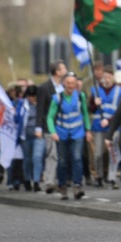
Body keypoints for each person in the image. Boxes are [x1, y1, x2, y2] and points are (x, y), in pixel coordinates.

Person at [46, 71, 92, 200]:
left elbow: (85, 114)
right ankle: (63, 186)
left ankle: (77, 186)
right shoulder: (57, 98)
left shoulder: (80, 96)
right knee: (62, 161)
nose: (71, 85)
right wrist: (53, 132)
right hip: (62, 133)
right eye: (68, 83)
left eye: (73, 83)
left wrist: (88, 130)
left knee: (77, 158)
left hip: (78, 132)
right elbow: (50, 117)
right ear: (63, 84)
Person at [37, 59, 67, 193]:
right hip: (50, 127)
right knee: (52, 154)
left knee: (62, 155)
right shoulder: (44, 88)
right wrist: (39, 127)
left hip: (65, 125)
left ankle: (61, 180)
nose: (65, 70)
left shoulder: (66, 87)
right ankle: (49, 181)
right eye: (63, 68)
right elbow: (40, 109)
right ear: (57, 72)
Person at [88, 66, 121, 188]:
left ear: (113, 78)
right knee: (98, 153)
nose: (106, 79)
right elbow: (90, 109)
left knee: (112, 152)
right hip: (98, 126)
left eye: (109, 77)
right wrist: (94, 104)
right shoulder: (95, 90)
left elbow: (120, 110)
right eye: (104, 77)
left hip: (113, 126)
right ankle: (99, 176)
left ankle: (112, 177)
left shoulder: (120, 91)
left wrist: (109, 120)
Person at [17, 85, 43, 192]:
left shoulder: (40, 105)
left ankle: (36, 181)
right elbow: (17, 118)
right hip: (26, 135)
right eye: (29, 96)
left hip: (38, 135)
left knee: (37, 157)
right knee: (27, 159)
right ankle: (27, 179)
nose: (31, 98)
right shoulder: (22, 104)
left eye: (33, 96)